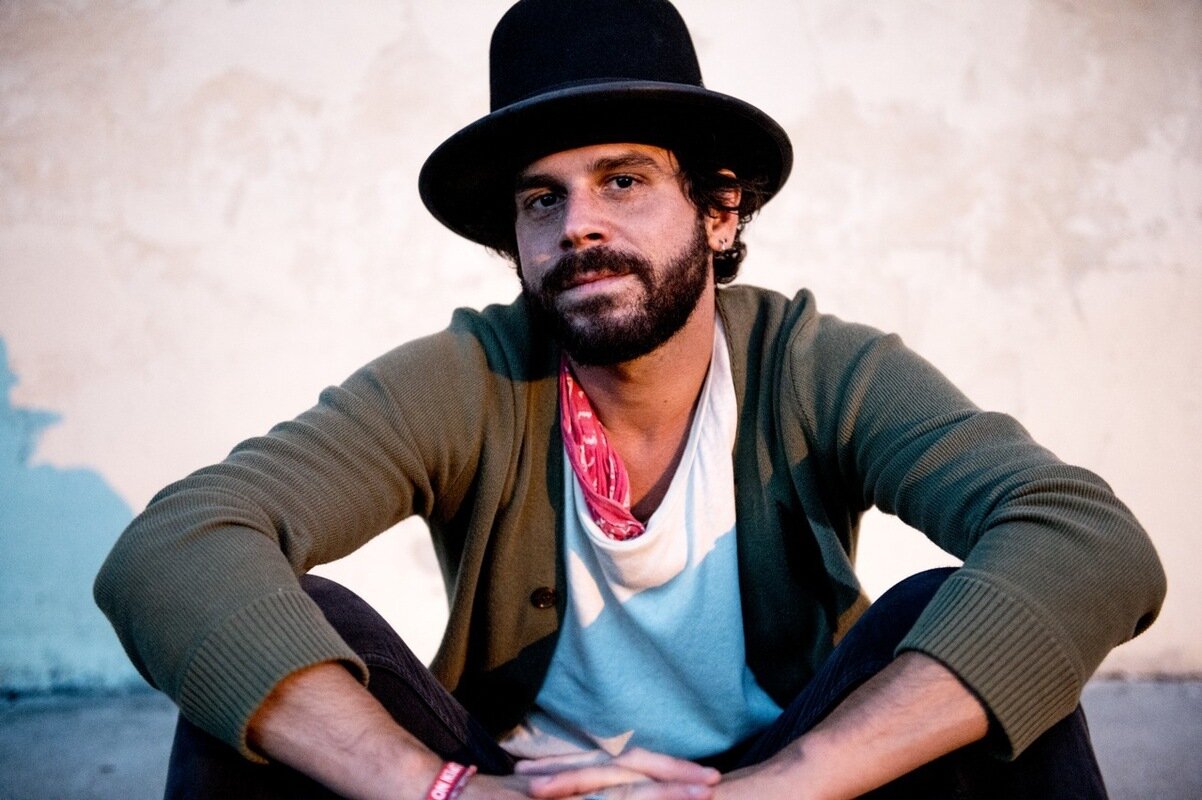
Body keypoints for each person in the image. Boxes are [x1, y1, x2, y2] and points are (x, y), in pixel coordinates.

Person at [95, 1, 1166, 798]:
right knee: (271, 658)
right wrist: (434, 788)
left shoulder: (817, 367)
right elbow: (175, 548)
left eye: (622, 180)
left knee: (961, 627)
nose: (577, 226)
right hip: (516, 785)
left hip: (779, 780)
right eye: (540, 199)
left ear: (717, 209)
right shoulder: (470, 376)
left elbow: (1082, 540)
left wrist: (786, 784)